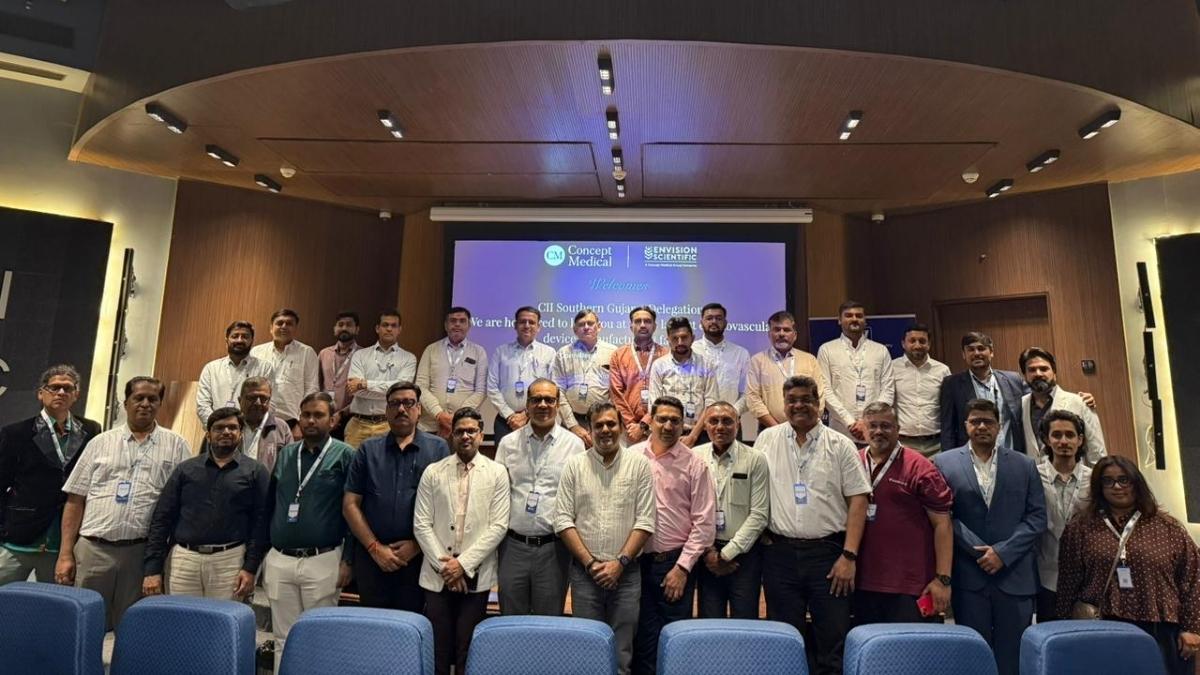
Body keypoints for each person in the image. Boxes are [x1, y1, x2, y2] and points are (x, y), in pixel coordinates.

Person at [757, 375, 871, 675]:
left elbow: (859, 500)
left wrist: (849, 556)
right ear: (784, 404)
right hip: (779, 555)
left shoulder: (841, 444)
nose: (799, 406)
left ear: (818, 403)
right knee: (784, 641)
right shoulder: (767, 439)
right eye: (792, 400)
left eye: (806, 399)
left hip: (829, 556)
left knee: (832, 641)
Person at [57, 377, 191, 629]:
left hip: (140, 554)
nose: (145, 404)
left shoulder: (177, 445)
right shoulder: (99, 443)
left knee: (133, 629)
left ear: (160, 404)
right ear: (125, 402)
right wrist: (65, 554)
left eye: (152, 399)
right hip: (93, 550)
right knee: (83, 626)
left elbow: (182, 504)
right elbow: (75, 499)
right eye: (138, 398)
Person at [1056, 456, 1199, 674]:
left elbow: (1192, 579)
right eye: (1108, 481)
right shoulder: (1080, 528)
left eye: (1124, 480)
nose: (1117, 487)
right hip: (1100, 628)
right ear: (1099, 486)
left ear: (1136, 483)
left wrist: (1192, 628)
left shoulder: (1168, 528)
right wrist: (1065, 629)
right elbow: (1068, 582)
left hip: (1161, 630)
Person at [933, 399, 1046, 675]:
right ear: (966, 426)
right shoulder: (943, 463)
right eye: (975, 421)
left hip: (1014, 575)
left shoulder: (1024, 465)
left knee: (1013, 658)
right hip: (970, 576)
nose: (982, 426)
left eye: (988, 421)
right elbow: (944, 516)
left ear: (999, 427)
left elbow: (1037, 517)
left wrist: (1003, 553)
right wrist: (980, 551)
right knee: (972, 656)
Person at [555, 402, 656, 675]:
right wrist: (591, 564)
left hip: (626, 574)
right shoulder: (575, 466)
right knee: (587, 650)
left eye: (611, 424)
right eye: (598, 425)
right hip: (585, 575)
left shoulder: (639, 465)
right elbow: (562, 520)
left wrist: (619, 564)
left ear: (622, 427)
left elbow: (646, 521)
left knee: (622, 653)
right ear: (590, 429)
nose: (605, 430)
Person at [413, 408, 510, 675]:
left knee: (468, 649)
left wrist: (462, 565)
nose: (465, 436)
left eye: (471, 431)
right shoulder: (433, 472)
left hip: (475, 575)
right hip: (437, 576)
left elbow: (498, 526)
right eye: (459, 431)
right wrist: (447, 568)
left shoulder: (497, 472)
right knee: (438, 650)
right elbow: (421, 524)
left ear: (480, 434)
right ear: (451, 436)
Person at [263, 393, 355, 669]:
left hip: (322, 559)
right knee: (283, 638)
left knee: (319, 638)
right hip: (281, 559)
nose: (311, 420)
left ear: (333, 420)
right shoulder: (287, 454)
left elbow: (354, 510)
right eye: (306, 415)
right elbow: (270, 504)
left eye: (318, 415)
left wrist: (349, 559)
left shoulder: (345, 455)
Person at [143, 407, 270, 599]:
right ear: (208, 435)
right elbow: (162, 519)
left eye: (232, 428)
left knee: (223, 616)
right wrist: (153, 568)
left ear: (241, 434)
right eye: (219, 428)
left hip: (230, 559)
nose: (226, 432)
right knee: (181, 615)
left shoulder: (256, 472)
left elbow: (261, 523)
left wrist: (251, 567)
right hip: (184, 559)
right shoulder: (185, 470)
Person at [343, 382, 449, 611]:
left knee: (411, 624)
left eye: (408, 403)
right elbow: (350, 504)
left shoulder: (438, 449)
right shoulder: (367, 450)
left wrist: (417, 545)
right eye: (395, 403)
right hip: (372, 558)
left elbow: (446, 507)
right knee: (373, 624)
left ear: (419, 409)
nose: (401, 409)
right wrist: (375, 548)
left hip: (418, 560)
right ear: (386, 410)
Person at [631, 396, 716, 675]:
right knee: (641, 640)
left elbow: (704, 523)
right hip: (634, 563)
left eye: (675, 421)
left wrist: (682, 568)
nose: (668, 426)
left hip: (674, 564)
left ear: (683, 425)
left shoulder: (695, 464)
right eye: (662, 419)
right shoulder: (631, 456)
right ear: (650, 422)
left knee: (674, 641)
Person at [0, 365, 102, 584]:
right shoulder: (16, 433)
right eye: (54, 387)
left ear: (76, 395)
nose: (61, 393)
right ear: (41, 393)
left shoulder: (91, 431)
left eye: (68, 388)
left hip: (63, 544)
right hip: (19, 537)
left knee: (54, 602)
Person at [853, 402, 954, 624]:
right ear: (863, 429)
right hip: (861, 582)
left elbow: (943, 525)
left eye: (886, 426)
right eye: (872, 426)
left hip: (909, 585)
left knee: (909, 645)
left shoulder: (920, 467)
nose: (878, 431)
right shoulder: (853, 462)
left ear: (898, 429)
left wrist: (943, 579)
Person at [493, 378, 584, 615]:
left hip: (554, 550)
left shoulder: (574, 445)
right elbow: (497, 496)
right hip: (513, 547)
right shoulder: (508, 443)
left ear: (558, 404)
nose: (543, 405)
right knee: (510, 619)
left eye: (549, 400)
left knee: (548, 622)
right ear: (527, 404)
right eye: (536, 400)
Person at [691, 401, 769, 619]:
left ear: (738, 424)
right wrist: (709, 553)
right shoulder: (694, 457)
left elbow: (760, 514)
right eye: (713, 421)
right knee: (709, 622)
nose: (720, 427)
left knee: (745, 622)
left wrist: (727, 554)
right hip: (706, 553)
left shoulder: (755, 459)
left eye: (727, 421)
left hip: (744, 554)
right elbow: (689, 508)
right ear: (705, 425)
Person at [1034, 409, 1091, 622]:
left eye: (1070, 435)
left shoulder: (1095, 479)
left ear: (1080, 440)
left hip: (1086, 577)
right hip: (1045, 576)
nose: (1064, 441)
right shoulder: (1032, 475)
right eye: (1056, 435)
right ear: (1046, 440)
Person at [817, 300, 895, 443]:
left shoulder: (881, 350)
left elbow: (888, 390)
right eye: (848, 315)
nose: (854, 319)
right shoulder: (827, 350)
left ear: (865, 320)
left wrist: (868, 421)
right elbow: (825, 390)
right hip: (840, 431)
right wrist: (850, 422)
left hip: (874, 431)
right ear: (839, 320)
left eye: (859, 316)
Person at [939, 332, 1028, 455]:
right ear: (964, 354)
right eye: (971, 349)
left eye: (981, 348)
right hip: (972, 459)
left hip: (1010, 454)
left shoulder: (1013, 380)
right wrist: (949, 460)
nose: (976, 353)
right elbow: (947, 429)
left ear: (991, 352)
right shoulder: (952, 384)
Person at [486, 306, 562, 446]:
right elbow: (492, 387)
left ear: (538, 327)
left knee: (538, 458)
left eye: (531, 322)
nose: (527, 326)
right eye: (522, 322)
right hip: (506, 421)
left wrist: (526, 414)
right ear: (515, 325)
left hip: (538, 418)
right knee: (504, 459)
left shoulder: (549, 353)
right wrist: (510, 415)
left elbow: (554, 388)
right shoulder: (501, 352)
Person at [1018, 347, 1105, 465]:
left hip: (1073, 474)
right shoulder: (1021, 405)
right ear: (1024, 375)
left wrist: (1098, 474)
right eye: (1032, 370)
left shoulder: (1079, 403)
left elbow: (1096, 450)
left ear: (1054, 373)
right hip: (1034, 474)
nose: (1038, 374)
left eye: (1044, 369)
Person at [345, 310, 417, 448]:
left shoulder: (409, 358)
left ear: (399, 330)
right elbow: (354, 390)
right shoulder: (360, 355)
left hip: (389, 425)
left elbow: (401, 392)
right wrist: (389, 393)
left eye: (393, 325)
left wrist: (365, 384)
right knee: (352, 462)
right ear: (377, 328)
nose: (389, 329)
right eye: (385, 325)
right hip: (358, 425)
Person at [746, 311, 826, 431]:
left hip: (806, 428)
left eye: (786, 330)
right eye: (777, 330)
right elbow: (753, 398)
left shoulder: (810, 360)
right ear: (769, 334)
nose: (781, 334)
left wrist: (806, 423)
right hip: (770, 430)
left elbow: (819, 395)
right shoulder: (757, 361)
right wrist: (778, 430)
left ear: (795, 335)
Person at [416, 307, 488, 440]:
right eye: (453, 321)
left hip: (464, 427)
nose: (457, 324)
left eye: (462, 321)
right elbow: (420, 386)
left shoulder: (479, 352)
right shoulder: (431, 350)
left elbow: (481, 391)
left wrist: (458, 417)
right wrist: (439, 414)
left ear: (469, 326)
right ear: (445, 325)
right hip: (431, 425)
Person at [647, 317, 720, 447]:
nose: (680, 342)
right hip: (668, 432)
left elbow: (711, 403)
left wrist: (693, 436)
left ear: (692, 338)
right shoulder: (659, 365)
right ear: (668, 340)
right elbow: (655, 404)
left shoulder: (706, 364)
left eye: (684, 337)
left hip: (701, 434)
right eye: (675, 338)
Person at [553, 309, 618, 447]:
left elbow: (617, 390)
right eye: (581, 324)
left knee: (602, 458)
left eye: (590, 323)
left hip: (603, 421)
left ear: (599, 326)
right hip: (571, 420)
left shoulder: (613, 352)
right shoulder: (563, 354)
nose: (586, 327)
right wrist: (573, 425)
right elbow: (558, 390)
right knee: (571, 458)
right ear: (575, 330)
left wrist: (606, 418)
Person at [250, 308, 320, 434]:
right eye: (279, 323)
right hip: (259, 418)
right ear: (271, 328)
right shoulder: (256, 352)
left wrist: (301, 421)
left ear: (295, 329)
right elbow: (250, 387)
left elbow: (312, 389)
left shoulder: (307, 352)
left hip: (292, 421)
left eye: (289, 324)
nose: (284, 326)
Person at [196, 320, 274, 425]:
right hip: (217, 431)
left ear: (252, 340)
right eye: (235, 336)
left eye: (245, 337)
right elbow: (202, 405)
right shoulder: (211, 369)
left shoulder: (264, 368)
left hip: (250, 430)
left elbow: (270, 403)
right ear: (227, 339)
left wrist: (246, 429)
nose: (239, 340)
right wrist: (217, 427)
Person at [608, 306, 667, 445]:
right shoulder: (618, 355)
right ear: (631, 326)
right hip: (628, 430)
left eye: (647, 321)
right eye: (638, 321)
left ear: (654, 326)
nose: (642, 325)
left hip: (660, 425)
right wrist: (631, 425)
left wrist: (644, 424)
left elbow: (666, 394)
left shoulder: (666, 355)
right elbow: (616, 394)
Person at [890, 322, 950, 457]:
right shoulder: (892, 368)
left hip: (937, 445)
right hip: (904, 444)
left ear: (929, 344)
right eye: (912, 341)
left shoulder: (942, 370)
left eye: (922, 341)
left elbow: (949, 407)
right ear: (903, 344)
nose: (917, 345)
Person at [691, 303, 751, 428]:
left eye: (718, 318)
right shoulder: (691, 350)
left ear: (725, 323)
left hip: (730, 423)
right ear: (701, 323)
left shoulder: (740, 353)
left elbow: (747, 393)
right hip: (696, 425)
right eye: (709, 318)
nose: (714, 321)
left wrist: (731, 413)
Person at [317, 311, 363, 438]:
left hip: (351, 418)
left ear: (357, 329)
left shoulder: (363, 355)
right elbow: (317, 385)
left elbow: (363, 393)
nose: (344, 328)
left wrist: (341, 414)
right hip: (323, 417)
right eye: (340, 324)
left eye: (349, 325)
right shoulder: (324, 354)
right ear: (334, 329)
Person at [237, 376, 292, 472]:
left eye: (263, 398)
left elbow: (290, 465)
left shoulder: (281, 427)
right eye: (252, 398)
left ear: (269, 401)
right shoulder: (230, 426)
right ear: (240, 400)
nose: (258, 403)